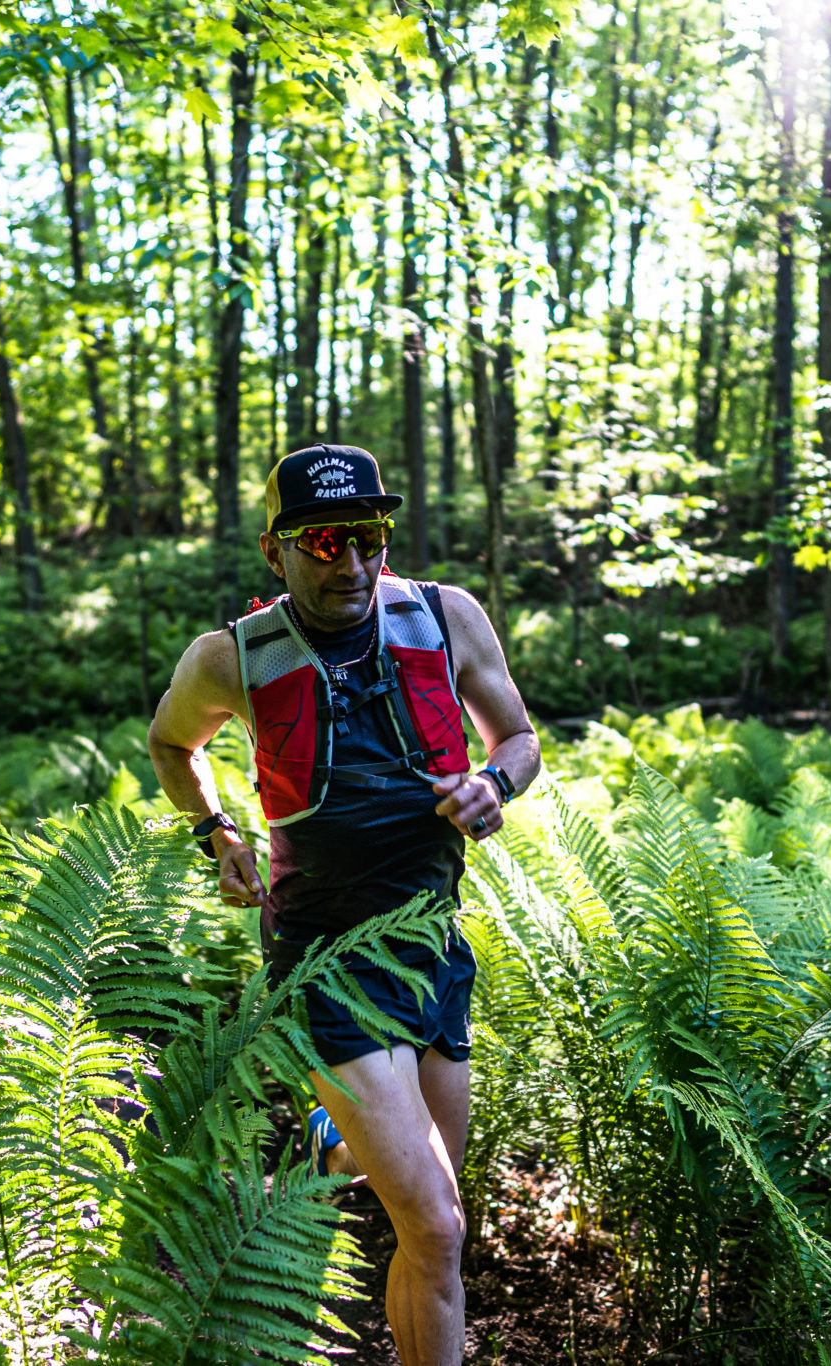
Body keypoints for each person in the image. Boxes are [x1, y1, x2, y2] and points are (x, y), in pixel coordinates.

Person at [147, 443, 540, 1366]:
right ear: (273, 551)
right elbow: (173, 745)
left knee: (427, 1218)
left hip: (432, 949)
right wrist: (218, 833)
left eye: (365, 537)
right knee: (440, 1225)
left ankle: (335, 1142)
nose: (350, 564)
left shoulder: (447, 618)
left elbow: (518, 737)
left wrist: (496, 784)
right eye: (322, 542)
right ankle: (343, 1132)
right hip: (326, 963)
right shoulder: (232, 659)